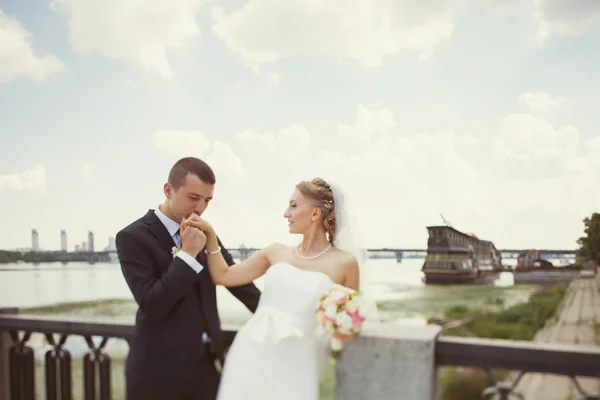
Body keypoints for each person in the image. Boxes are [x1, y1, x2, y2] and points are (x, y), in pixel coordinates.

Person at [184, 177, 377, 400]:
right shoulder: (275, 252)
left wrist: (340, 324)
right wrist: (210, 236)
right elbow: (222, 276)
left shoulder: (345, 263)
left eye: (293, 206)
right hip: (251, 350)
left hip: (297, 361)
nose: (286, 213)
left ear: (315, 214)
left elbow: (350, 320)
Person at [115, 157, 261, 400]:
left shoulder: (206, 232)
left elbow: (237, 280)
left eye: (207, 200)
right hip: (156, 372)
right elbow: (152, 303)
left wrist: (282, 315)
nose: (200, 208)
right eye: (194, 198)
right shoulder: (133, 237)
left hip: (206, 368)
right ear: (168, 190)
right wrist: (188, 254)